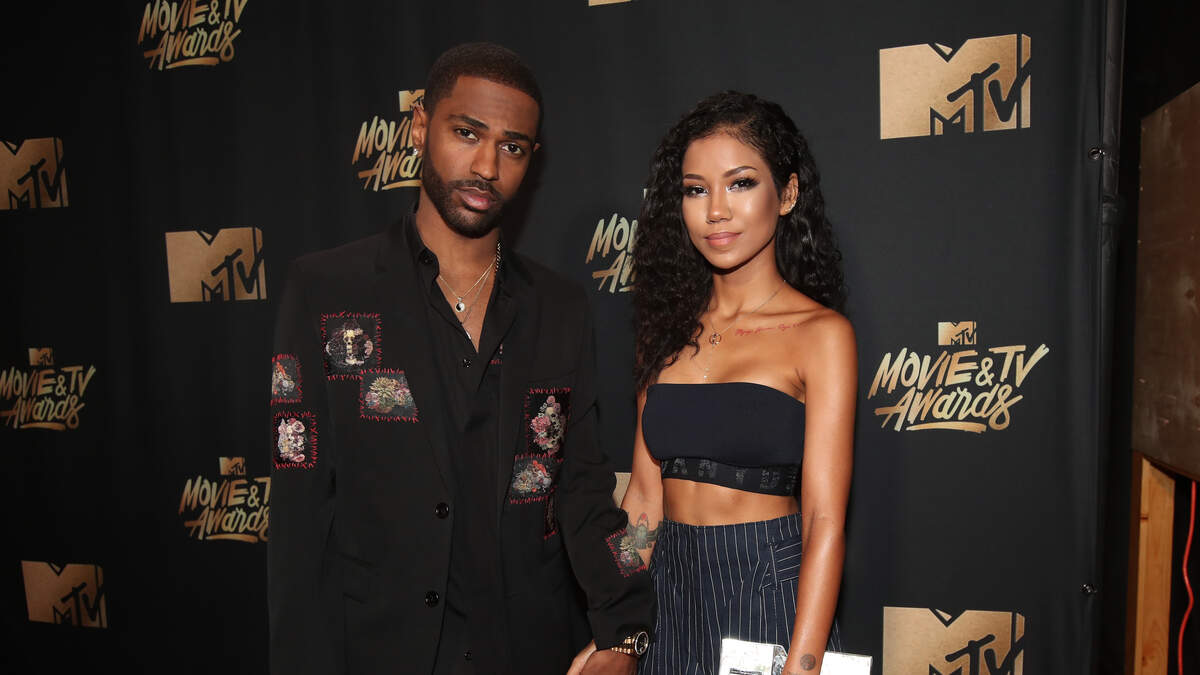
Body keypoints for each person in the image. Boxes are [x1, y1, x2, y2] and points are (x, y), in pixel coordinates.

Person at [267, 42, 654, 675]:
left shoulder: (560, 307)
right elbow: (300, 516)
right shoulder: (325, 290)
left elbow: (582, 488)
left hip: (528, 650)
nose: (486, 166)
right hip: (379, 652)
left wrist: (625, 629)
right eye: (467, 133)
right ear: (420, 126)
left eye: (512, 147)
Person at [621, 91, 855, 675]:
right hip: (667, 594)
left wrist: (804, 664)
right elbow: (643, 502)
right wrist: (615, 630)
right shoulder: (664, 331)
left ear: (788, 194)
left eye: (741, 183)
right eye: (696, 190)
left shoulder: (820, 334)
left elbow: (824, 520)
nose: (716, 211)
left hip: (769, 588)